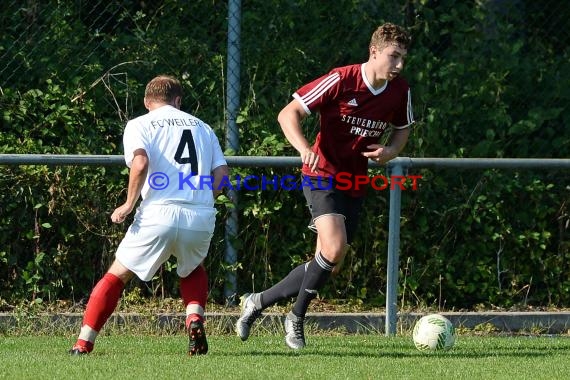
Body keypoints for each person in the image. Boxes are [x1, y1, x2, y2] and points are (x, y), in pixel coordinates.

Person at [235, 22, 414, 349]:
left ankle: (258, 302)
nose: (399, 65)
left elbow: (402, 130)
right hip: (322, 173)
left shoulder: (399, 91)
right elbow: (287, 114)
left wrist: (390, 151)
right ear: (374, 52)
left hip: (355, 179)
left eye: (403, 58)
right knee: (333, 249)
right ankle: (296, 318)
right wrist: (305, 150)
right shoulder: (342, 79)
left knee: (329, 264)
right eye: (393, 56)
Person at [69, 75, 228, 356]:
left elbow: (140, 162)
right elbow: (222, 177)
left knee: (117, 275)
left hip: (158, 213)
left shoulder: (139, 124)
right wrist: (203, 200)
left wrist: (128, 203)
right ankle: (194, 318)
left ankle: (83, 342)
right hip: (200, 215)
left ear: (146, 101)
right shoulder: (204, 128)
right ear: (178, 101)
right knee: (193, 267)